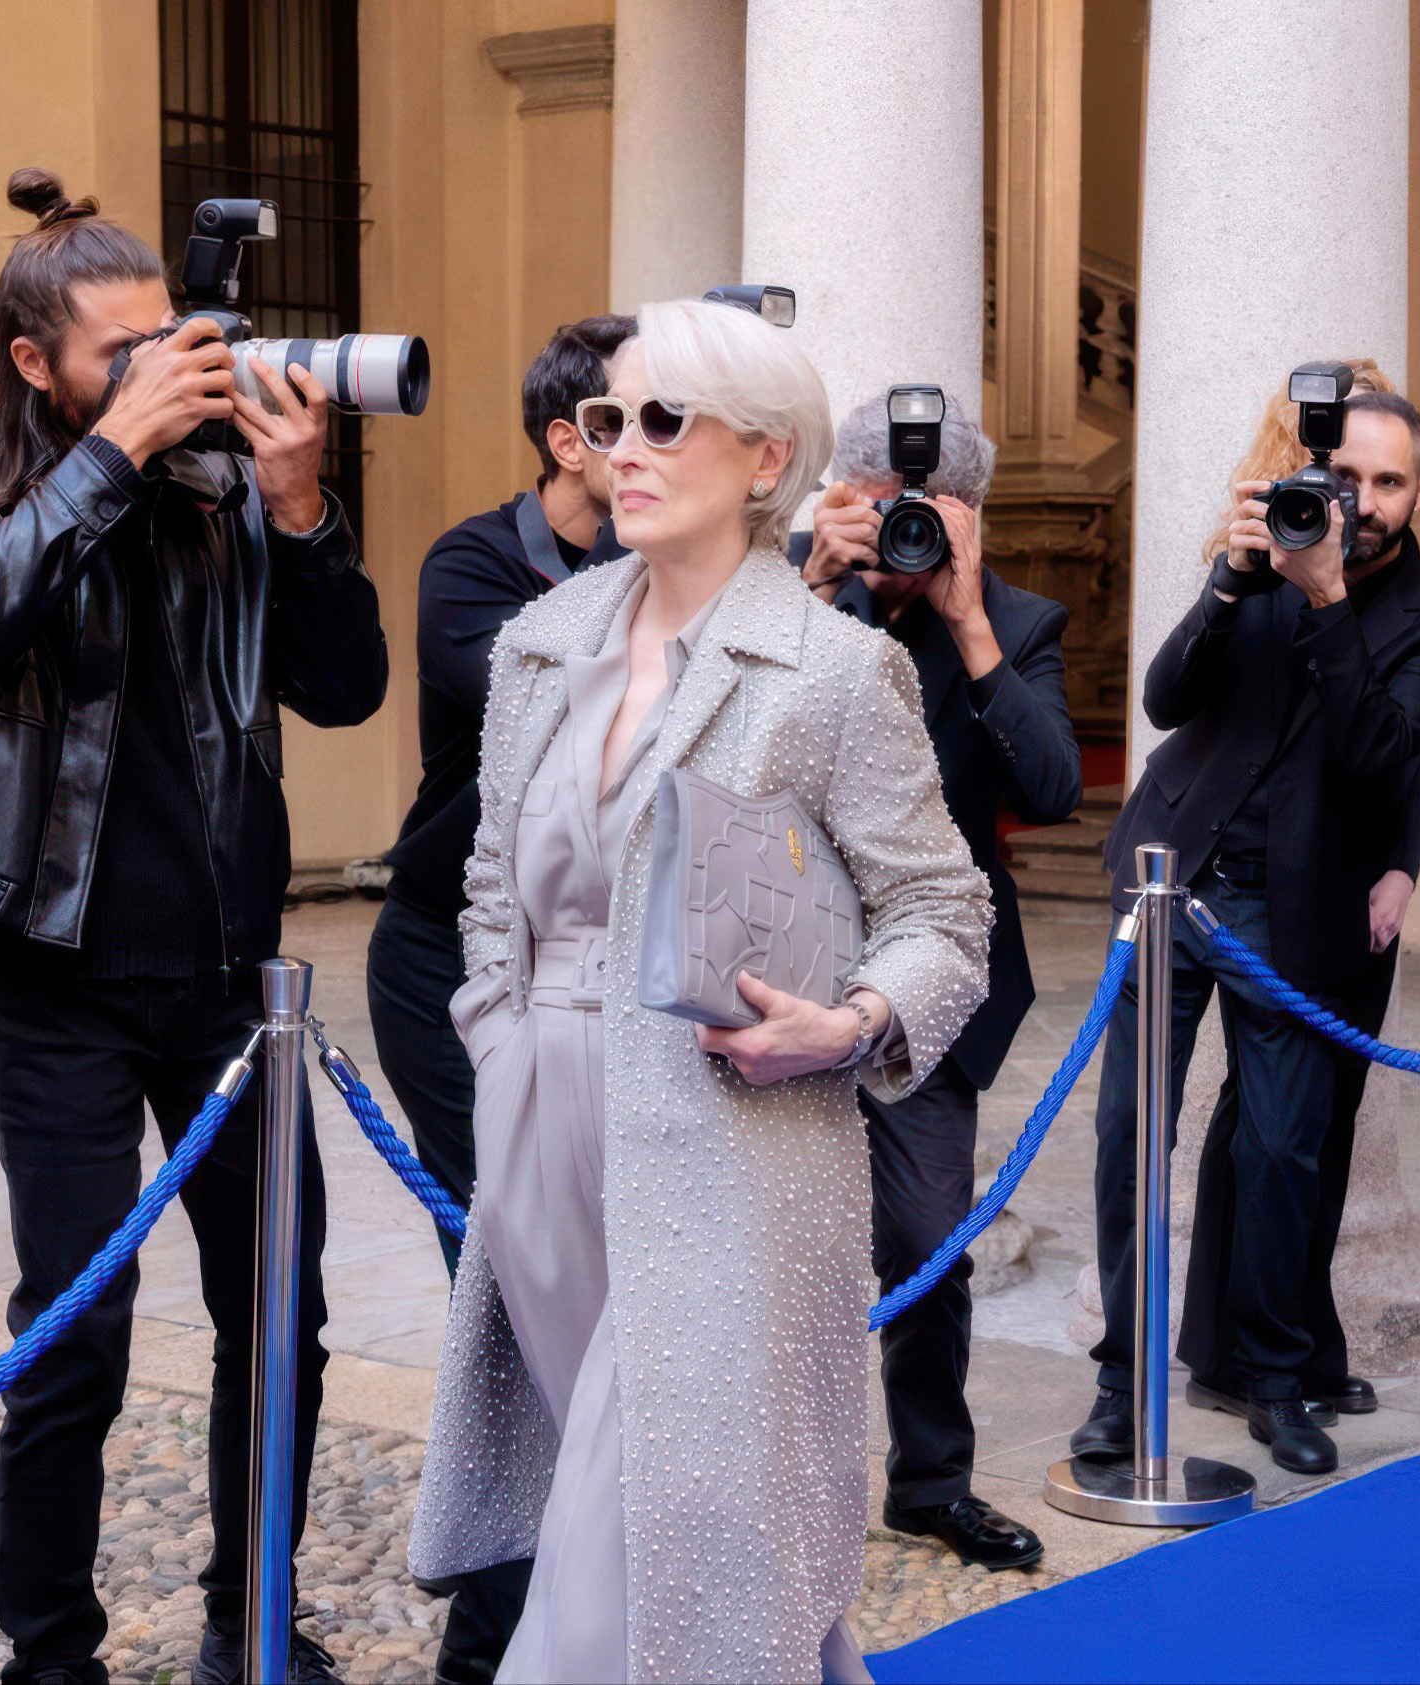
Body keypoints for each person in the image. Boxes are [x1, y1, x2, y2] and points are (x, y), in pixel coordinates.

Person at [407, 298, 992, 1683]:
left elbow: (943, 911)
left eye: (666, 420)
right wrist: (499, 1039)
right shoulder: (541, 640)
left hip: (728, 1141)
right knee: (697, 1545)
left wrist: (849, 1024)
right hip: (540, 1130)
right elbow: (490, 878)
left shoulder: (837, 670)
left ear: (765, 456)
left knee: (637, 1539)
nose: (625, 448)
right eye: (609, 419)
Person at [0, 170, 386, 1685]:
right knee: (74, 1332)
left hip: (231, 977)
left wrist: (301, 509)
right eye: (124, 352)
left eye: (171, 336)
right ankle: (50, 1655)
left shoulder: (221, 480)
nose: (167, 367)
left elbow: (346, 686)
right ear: (38, 362)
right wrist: (115, 453)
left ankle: (249, 1621)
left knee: (277, 1317)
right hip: (58, 976)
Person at [1076, 366, 1420, 1477]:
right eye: (1345, 473)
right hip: (1169, 877)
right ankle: (1121, 1381)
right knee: (1129, 1137)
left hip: (1294, 905)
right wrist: (1230, 578)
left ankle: (1270, 1375)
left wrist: (1327, 599)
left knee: (1279, 1150)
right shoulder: (1256, 559)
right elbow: (1164, 700)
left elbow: (1380, 754)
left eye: (1387, 482)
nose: (1360, 499)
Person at [367, 314, 632, 1683]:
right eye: (638, 419)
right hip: (456, 966)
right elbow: (548, 694)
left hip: (610, 978)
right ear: (567, 440)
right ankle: (495, 1644)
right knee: (521, 1288)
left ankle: (590, 1610)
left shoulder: (687, 572)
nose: (664, 446)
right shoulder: (474, 564)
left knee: (606, 1298)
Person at [795, 392, 1078, 1571]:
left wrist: (967, 627)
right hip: (788, 960)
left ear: (968, 516)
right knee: (776, 1244)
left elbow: (1053, 789)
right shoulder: (789, 594)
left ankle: (930, 1482)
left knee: (924, 1241)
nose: (898, 533)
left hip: (930, 982)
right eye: (877, 506)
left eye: (924, 512)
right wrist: (811, 583)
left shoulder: (1013, 619)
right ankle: (777, 1480)